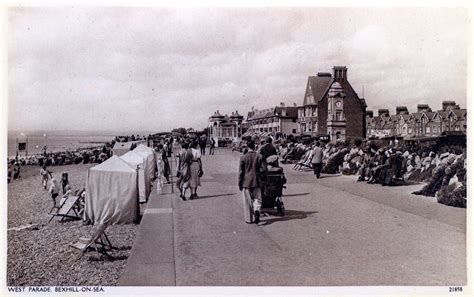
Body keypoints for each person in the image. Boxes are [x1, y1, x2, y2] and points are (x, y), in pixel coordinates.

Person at [238, 140, 266, 224]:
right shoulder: (259, 156)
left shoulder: (243, 157)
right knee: (257, 198)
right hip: (257, 180)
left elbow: (240, 172)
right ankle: (257, 210)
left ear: (247, 147)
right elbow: (264, 169)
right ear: (254, 146)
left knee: (247, 200)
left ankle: (249, 219)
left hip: (246, 181)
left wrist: (240, 182)